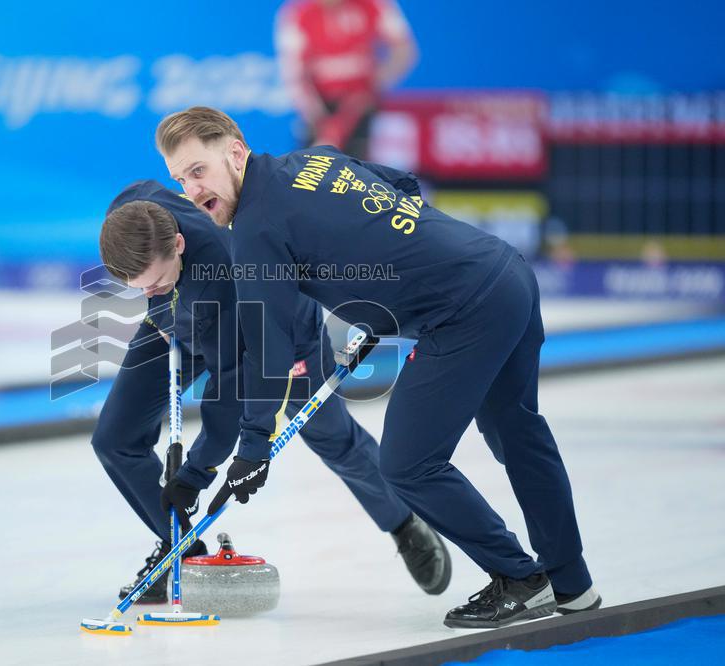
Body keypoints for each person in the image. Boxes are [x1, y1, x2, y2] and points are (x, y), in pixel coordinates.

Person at [156, 107, 601, 628]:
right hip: (503, 271)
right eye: (180, 179)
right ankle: (573, 586)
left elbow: (271, 350)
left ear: (235, 153)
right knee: (519, 434)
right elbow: (401, 187)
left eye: (197, 170)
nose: (190, 189)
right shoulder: (312, 160)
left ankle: (522, 578)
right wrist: (381, 296)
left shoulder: (255, 229)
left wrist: (254, 449)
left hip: (464, 313)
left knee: (409, 465)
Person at [93, 180, 451, 603]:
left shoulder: (221, 277)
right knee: (114, 439)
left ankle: (402, 521)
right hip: (181, 320)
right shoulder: (135, 213)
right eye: (138, 287)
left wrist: (194, 474)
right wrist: (157, 291)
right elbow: (145, 194)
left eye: (151, 282)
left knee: (331, 436)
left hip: (274, 331)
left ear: (179, 243)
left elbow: (228, 404)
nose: (145, 292)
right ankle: (182, 552)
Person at [275, 0, 418, 158]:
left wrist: (377, 84)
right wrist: (316, 116)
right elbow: (293, 74)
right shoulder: (297, 12)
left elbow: (404, 50)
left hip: (363, 106)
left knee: (361, 168)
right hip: (320, 105)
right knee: (313, 169)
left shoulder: (374, 5)